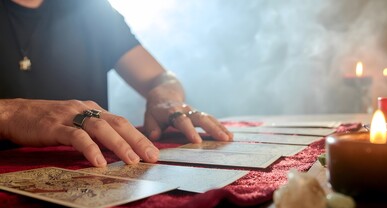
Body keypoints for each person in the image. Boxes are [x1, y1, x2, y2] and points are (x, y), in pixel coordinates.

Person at [0, 0, 233, 167]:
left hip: (93, 171)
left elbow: (159, 77)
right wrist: (11, 113)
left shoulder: (92, 9)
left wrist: (166, 97)